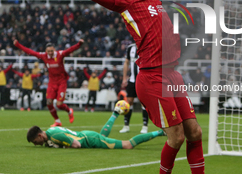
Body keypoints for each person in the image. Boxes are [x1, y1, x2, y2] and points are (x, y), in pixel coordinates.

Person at [69, 0, 204, 174]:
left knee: (195, 132)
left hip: (173, 75)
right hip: (153, 78)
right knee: (177, 137)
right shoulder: (127, 2)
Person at [13, 39, 83, 127]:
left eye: (51, 51)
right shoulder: (44, 56)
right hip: (52, 82)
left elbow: (70, 50)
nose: (50, 52)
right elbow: (30, 52)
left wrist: (79, 44)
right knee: (49, 103)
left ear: (54, 49)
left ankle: (69, 111)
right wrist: (18, 45)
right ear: (46, 51)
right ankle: (57, 121)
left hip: (62, 82)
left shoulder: (60, 54)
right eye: (48, 51)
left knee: (59, 105)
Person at [27, 108, 165, 149]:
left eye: (35, 142)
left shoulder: (54, 136)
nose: (36, 144)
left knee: (127, 145)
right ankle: (115, 113)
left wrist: (63, 147)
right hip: (88, 135)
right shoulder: (51, 132)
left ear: (39, 136)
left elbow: (77, 145)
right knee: (102, 137)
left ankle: (160, 132)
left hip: (89, 139)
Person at [120, 43, 149, 134]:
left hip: (144, 81)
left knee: (144, 103)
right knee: (129, 102)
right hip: (132, 80)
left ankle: (145, 126)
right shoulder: (130, 48)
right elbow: (126, 63)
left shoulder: (146, 47)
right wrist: (124, 78)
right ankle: (126, 126)